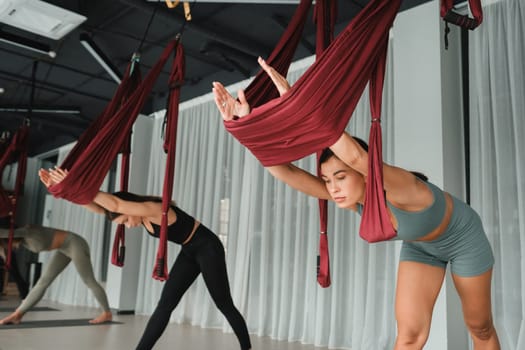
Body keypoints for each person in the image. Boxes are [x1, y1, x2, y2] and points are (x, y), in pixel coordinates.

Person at [212, 57, 500, 350]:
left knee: (480, 326)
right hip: (421, 246)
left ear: (364, 175)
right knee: (410, 336)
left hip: (462, 238)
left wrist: (296, 103)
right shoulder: (352, 198)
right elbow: (286, 171)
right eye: (327, 180)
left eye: (340, 177)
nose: (333, 188)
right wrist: (246, 126)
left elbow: (355, 157)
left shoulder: (401, 186)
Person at [38, 168, 252, 350]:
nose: (128, 225)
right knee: (165, 304)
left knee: (223, 303)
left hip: (208, 248)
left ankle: (246, 348)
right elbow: (99, 208)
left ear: (131, 207)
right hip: (189, 249)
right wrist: (63, 191)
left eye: (127, 219)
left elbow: (115, 204)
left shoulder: (154, 209)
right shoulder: (136, 216)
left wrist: (73, 182)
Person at [0, 225, 112, 325]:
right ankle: (17, 315)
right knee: (43, 282)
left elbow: (4, 232)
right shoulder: (23, 241)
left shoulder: (27, 231)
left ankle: (107, 313)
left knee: (89, 281)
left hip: (75, 244)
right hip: (63, 248)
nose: (12, 248)